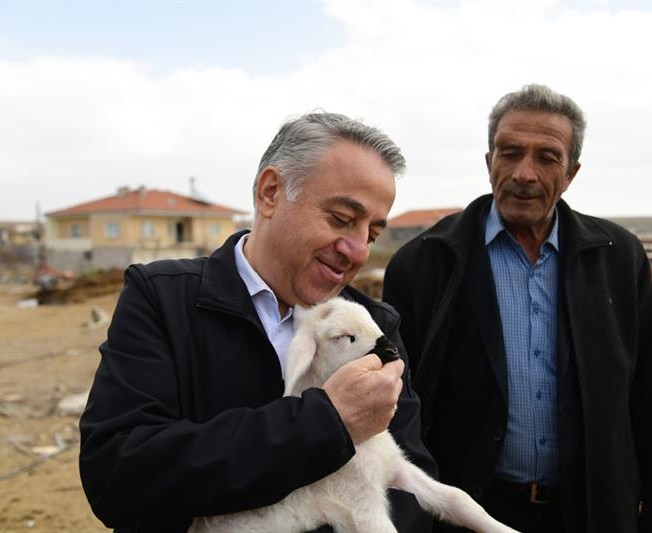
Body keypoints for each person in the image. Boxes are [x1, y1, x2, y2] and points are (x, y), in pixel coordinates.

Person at [79, 112, 437, 532]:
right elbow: (118, 476)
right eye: (341, 219)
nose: (357, 250)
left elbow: (410, 492)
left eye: (372, 234)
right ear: (270, 193)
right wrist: (325, 423)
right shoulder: (163, 297)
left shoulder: (375, 327)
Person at [383, 84, 652, 533]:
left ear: (571, 174)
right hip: (466, 516)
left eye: (547, 158)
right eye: (510, 153)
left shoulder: (618, 259)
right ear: (489, 162)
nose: (524, 173)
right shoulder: (424, 263)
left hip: (590, 512)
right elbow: (394, 413)